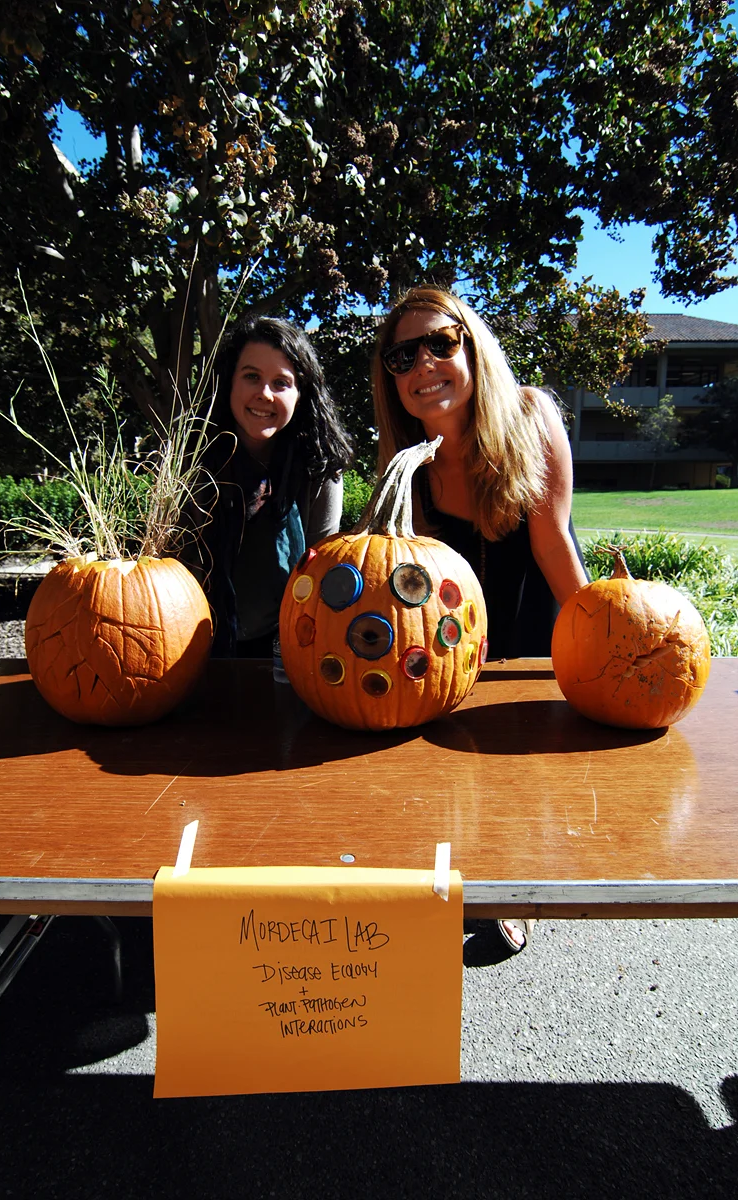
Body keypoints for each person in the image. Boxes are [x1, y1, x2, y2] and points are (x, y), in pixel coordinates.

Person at [373, 285, 589, 953]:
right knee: (445, 770)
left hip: (528, 615)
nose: (422, 367)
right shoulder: (405, 460)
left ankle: (509, 887)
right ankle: (446, 877)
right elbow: (394, 573)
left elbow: (552, 544)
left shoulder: (529, 416)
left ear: (472, 347)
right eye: (402, 357)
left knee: (520, 768)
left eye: (440, 343)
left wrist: (596, 650)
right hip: (449, 634)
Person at [183, 315, 353, 658]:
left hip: (292, 649)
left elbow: (321, 571)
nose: (264, 394)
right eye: (251, 377)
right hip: (196, 649)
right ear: (228, 382)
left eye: (281, 383)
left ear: (301, 395)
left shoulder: (320, 469)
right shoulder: (190, 468)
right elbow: (177, 577)